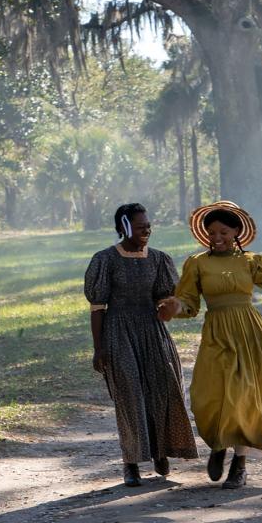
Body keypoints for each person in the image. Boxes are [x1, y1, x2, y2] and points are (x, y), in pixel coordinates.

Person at [158, 201, 262, 489]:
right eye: (211, 232)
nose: (216, 237)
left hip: (250, 333)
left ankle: (239, 466)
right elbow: (190, 303)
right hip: (217, 332)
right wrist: (174, 307)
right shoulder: (197, 263)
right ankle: (219, 445)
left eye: (223, 232)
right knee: (210, 394)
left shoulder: (251, 261)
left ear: (237, 232)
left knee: (246, 395)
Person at [84, 203, 199, 487]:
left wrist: (170, 307)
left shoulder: (159, 260)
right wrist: (99, 349)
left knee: (163, 390)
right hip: (119, 332)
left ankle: (161, 451)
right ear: (123, 227)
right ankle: (131, 463)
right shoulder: (105, 260)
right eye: (140, 225)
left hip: (152, 331)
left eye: (148, 225)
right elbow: (98, 308)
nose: (146, 230)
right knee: (130, 396)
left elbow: (166, 299)